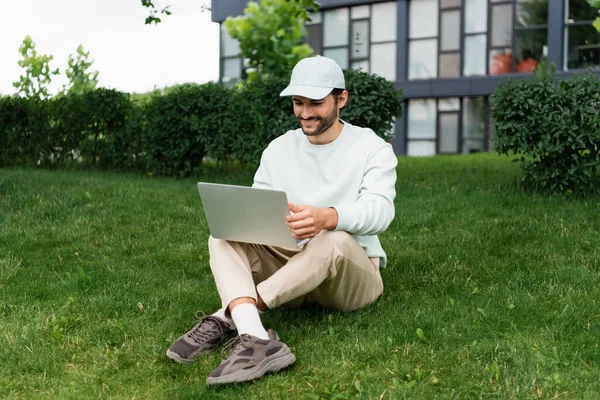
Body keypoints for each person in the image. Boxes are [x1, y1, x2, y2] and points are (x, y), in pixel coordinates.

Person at [166, 55, 398, 385]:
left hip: (349, 275)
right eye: (298, 103)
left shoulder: (372, 147)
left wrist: (328, 217)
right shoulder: (278, 149)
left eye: (315, 103)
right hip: (291, 262)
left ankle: (231, 313)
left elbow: (380, 211)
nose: (305, 113)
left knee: (332, 238)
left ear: (341, 98)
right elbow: (254, 210)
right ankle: (256, 337)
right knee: (223, 236)